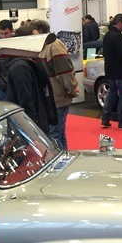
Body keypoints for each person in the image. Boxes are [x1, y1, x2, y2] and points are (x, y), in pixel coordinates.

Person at [29, 19, 79, 150]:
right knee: (58, 133)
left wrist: (72, 88)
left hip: (58, 98)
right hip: (53, 98)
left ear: (39, 31)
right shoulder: (45, 46)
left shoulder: (54, 46)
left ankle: (61, 159)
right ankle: (65, 157)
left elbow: (65, 72)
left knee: (55, 135)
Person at [4, 26, 57, 132]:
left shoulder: (30, 61)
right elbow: (25, 102)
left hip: (37, 120)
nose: (42, 43)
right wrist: (33, 131)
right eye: (36, 38)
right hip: (32, 126)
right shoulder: (21, 67)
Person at [100, 13, 122, 130]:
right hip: (120, 70)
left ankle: (105, 118)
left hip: (110, 70)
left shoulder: (107, 35)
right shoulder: (117, 37)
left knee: (111, 94)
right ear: (119, 23)